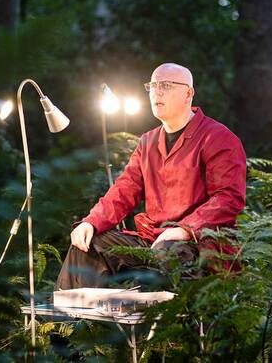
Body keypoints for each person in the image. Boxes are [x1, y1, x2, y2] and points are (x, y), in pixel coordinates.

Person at [55, 63, 246, 290]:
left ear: (188, 93)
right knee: (88, 244)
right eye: (153, 86)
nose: (157, 92)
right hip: (152, 240)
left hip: (198, 244)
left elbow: (228, 198)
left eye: (165, 85)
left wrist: (184, 229)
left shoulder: (217, 137)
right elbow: (124, 190)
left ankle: (162, 324)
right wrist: (91, 222)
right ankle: (71, 322)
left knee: (169, 253)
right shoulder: (147, 142)